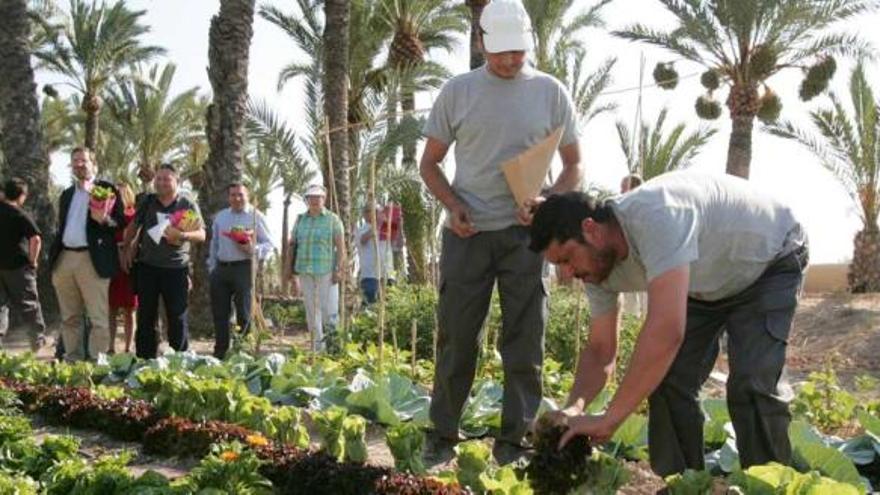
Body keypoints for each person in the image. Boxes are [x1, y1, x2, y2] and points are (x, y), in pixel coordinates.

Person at [529, 171, 809, 476]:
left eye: (567, 259)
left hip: (768, 262)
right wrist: (574, 408)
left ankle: (766, 485)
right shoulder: (594, 268)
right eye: (559, 265)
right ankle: (683, 483)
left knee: (753, 383)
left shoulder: (657, 215)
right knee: (667, 379)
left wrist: (611, 417)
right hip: (701, 283)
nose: (567, 274)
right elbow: (600, 349)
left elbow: (666, 331)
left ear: (591, 229)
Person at [419, 0, 582, 463]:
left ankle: (515, 441)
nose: (511, 60)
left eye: (519, 51)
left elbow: (575, 164)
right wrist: (453, 206)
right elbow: (428, 165)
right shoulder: (458, 92)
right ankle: (442, 435)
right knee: (456, 338)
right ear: (481, 43)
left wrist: (549, 202)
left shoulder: (551, 92)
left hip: (526, 240)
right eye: (502, 52)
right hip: (467, 237)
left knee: (525, 343)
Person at [122, 163, 205, 359]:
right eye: (158, 179)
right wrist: (126, 249)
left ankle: (180, 360)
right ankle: (144, 360)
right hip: (147, 267)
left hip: (176, 269)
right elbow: (133, 227)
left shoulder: (186, 204)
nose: (161, 183)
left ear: (177, 181)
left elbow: (201, 234)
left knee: (177, 318)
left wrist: (182, 236)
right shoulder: (148, 201)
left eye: (166, 179)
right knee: (146, 318)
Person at [49, 147, 124, 361]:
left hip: (92, 259)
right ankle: (73, 360)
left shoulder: (106, 190)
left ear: (94, 164)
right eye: (75, 161)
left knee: (98, 318)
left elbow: (119, 223)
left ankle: (95, 365)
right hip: (65, 258)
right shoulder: (66, 194)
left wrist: (103, 219)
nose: (79, 164)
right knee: (70, 317)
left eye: (84, 160)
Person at [207, 182, 274, 359]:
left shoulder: (256, 217)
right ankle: (220, 352)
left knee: (244, 313)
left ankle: (244, 352)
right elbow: (214, 244)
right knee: (220, 314)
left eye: (240, 195)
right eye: (233, 195)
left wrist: (251, 249)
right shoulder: (221, 217)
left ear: (247, 196)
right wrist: (212, 267)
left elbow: (269, 244)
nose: (237, 198)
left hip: (244, 268)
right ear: (228, 197)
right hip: (221, 269)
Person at [290, 184, 345, 352]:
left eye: (318, 197)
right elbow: (292, 245)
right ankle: (317, 349)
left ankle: (334, 347)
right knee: (312, 311)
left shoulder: (333, 219)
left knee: (329, 310)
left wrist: (339, 269)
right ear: (306, 200)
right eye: (311, 197)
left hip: (326, 270)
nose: (314, 200)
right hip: (305, 270)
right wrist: (290, 272)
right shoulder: (300, 219)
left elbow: (341, 247)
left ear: (324, 198)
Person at [0, 178, 49, 351]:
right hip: (18, 267)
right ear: (22, 196)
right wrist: (33, 260)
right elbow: (35, 238)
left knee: (1, 305)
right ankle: (37, 341)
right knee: (29, 305)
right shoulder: (19, 214)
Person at [108, 182, 138, 354]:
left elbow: (134, 238)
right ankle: (110, 346)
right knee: (110, 309)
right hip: (112, 266)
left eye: (120, 193)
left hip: (127, 266)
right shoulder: (109, 215)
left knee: (129, 309)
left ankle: (127, 347)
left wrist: (125, 252)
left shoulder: (132, 215)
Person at [356, 204, 392, 305]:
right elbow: (363, 240)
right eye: (370, 211)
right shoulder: (361, 229)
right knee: (370, 309)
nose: (374, 214)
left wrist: (398, 225)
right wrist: (378, 225)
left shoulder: (385, 228)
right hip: (370, 276)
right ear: (364, 214)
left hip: (386, 275)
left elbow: (398, 244)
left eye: (377, 212)